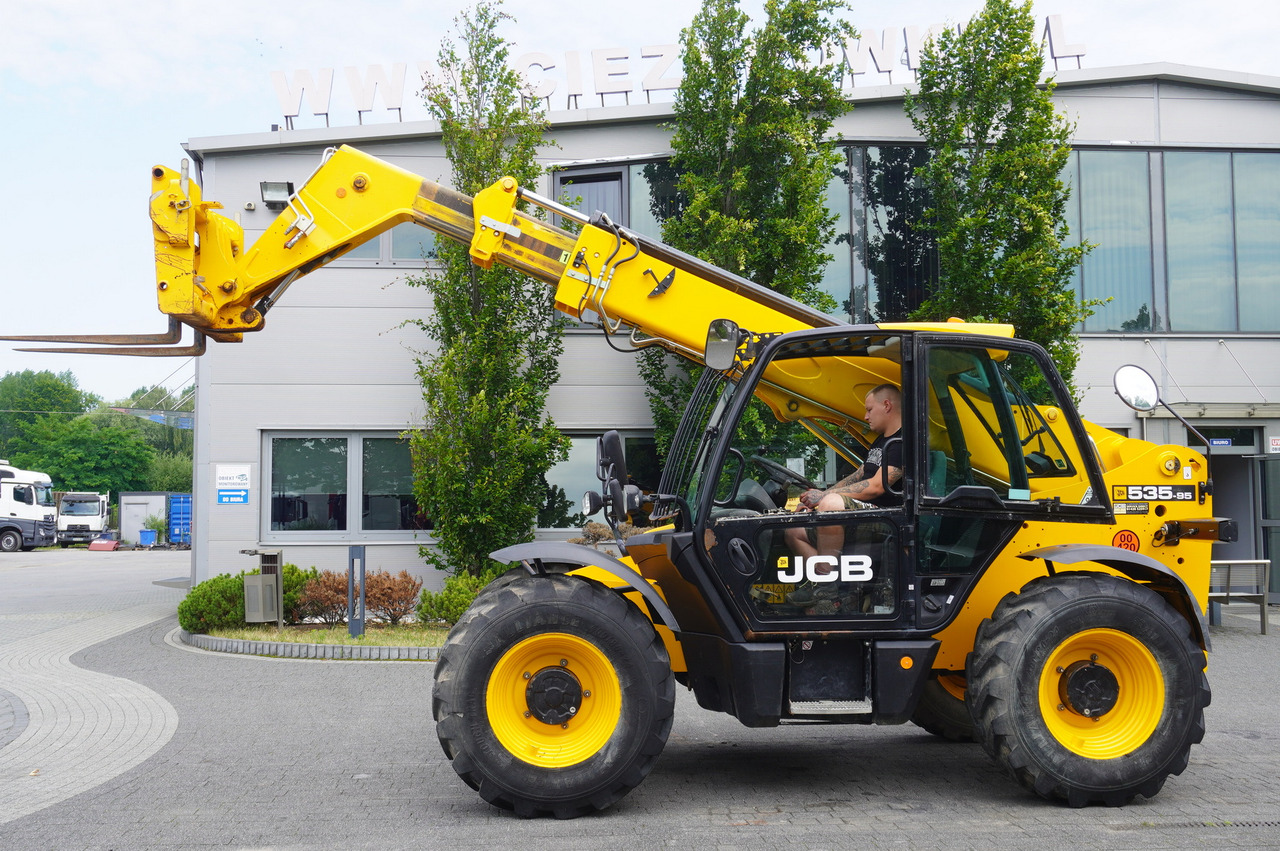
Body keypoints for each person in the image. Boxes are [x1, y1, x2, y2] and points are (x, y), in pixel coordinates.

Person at [785, 384, 903, 561]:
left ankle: (828, 576)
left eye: (869, 410)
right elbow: (859, 475)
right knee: (793, 531)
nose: (866, 416)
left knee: (831, 504)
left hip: (887, 518)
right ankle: (826, 573)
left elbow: (877, 487)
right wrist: (820, 496)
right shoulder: (881, 440)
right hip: (866, 514)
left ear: (887, 405)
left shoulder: (901, 442)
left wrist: (825, 497)